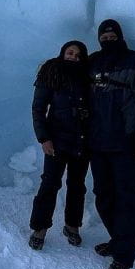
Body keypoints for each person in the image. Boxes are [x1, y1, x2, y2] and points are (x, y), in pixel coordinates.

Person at [88, 19, 135, 269]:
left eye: (112, 35)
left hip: (127, 144)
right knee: (103, 194)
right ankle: (118, 240)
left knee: (127, 198)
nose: (108, 38)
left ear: (120, 36)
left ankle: (124, 257)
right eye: (104, 36)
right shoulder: (93, 62)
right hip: (97, 144)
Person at [28, 40, 91, 250]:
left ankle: (72, 226)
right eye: (70, 52)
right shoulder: (51, 72)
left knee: (77, 185)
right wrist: (44, 138)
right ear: (63, 52)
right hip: (57, 139)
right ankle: (40, 228)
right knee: (50, 183)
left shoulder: (86, 76)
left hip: (82, 140)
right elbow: (38, 108)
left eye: (78, 54)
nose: (73, 57)